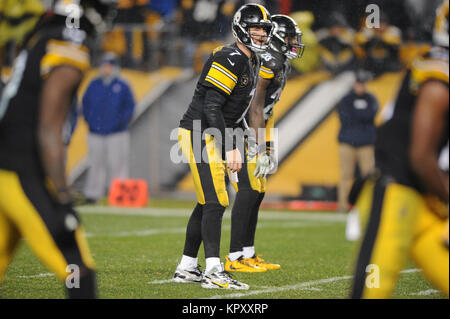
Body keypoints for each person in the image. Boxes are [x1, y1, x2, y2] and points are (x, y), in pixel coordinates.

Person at [0, 0, 116, 299]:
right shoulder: (70, 44)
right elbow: (48, 129)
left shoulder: (44, 35)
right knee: (78, 271)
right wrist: (63, 198)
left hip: (7, 165)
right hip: (21, 171)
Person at [349, 0, 449, 299]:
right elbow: (420, 155)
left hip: (425, 197)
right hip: (397, 190)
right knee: (371, 291)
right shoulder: (439, 75)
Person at [172, 3, 273, 290]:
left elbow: (233, 112)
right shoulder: (230, 57)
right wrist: (230, 145)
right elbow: (211, 107)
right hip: (199, 131)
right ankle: (214, 270)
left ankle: (187, 266)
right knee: (217, 200)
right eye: (256, 29)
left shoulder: (250, 60)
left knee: (208, 201)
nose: (261, 35)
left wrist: (247, 141)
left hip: (211, 131)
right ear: (242, 28)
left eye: (264, 30)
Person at [225, 14, 304, 273]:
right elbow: (254, 106)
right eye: (291, 37)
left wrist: (267, 144)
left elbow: (266, 110)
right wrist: (258, 146)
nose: (294, 42)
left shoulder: (280, 61)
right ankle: (234, 256)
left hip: (258, 130)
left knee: (257, 191)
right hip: (243, 130)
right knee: (247, 192)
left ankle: (248, 252)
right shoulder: (268, 60)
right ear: (280, 36)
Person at [82, 52, 135, 204]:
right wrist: (91, 122)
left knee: (117, 165)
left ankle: (119, 195)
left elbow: (129, 107)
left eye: (110, 65)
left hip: (116, 133)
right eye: (104, 65)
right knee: (95, 164)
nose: (107, 68)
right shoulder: (94, 84)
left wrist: (119, 123)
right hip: (95, 132)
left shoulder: (123, 84)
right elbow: (85, 105)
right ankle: (92, 194)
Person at [336, 70, 378, 215]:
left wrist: (358, 115)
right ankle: (342, 206)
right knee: (346, 175)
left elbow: (370, 115)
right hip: (347, 143)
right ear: (355, 84)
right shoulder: (346, 99)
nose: (361, 86)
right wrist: (361, 116)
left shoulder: (371, 99)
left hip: (366, 143)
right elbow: (346, 117)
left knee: (369, 175)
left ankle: (368, 206)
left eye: (363, 84)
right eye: (359, 83)